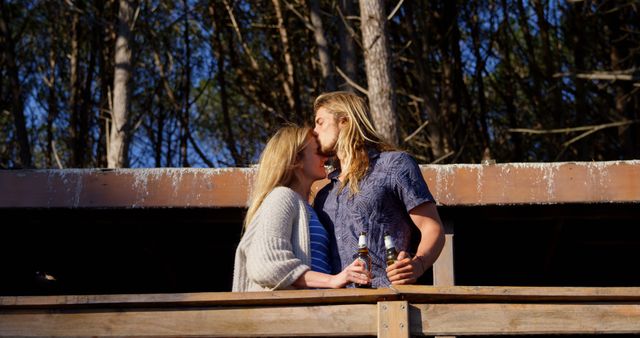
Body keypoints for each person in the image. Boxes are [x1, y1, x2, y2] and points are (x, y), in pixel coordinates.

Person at [312, 91, 445, 287]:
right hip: (336, 309)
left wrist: (418, 265)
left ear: (345, 121)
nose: (314, 131)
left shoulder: (395, 165)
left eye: (320, 122)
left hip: (387, 301)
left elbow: (432, 227)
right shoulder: (324, 195)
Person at [232, 125, 370, 292]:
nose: (325, 156)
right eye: (317, 150)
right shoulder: (282, 197)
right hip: (287, 315)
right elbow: (267, 264)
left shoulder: (310, 208)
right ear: (296, 160)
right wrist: (333, 280)